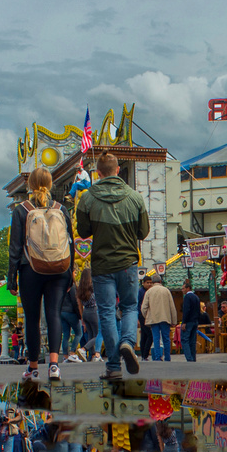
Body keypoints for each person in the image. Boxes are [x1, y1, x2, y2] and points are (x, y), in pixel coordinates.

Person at [74, 153, 150, 380]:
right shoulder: (135, 197)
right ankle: (127, 342)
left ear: (98, 173)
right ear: (118, 171)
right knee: (128, 307)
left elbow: (84, 231)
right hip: (127, 263)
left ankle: (114, 366)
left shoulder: (87, 198)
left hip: (102, 265)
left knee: (106, 312)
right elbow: (143, 232)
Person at [8, 167, 76, 382]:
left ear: (29, 185)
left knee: (32, 318)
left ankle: (33, 366)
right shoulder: (61, 209)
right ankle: (54, 365)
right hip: (59, 268)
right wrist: (70, 273)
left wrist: (12, 278)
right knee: (54, 313)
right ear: (51, 184)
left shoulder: (22, 210)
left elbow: (15, 248)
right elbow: (70, 242)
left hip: (31, 269)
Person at [141, 274, 176, 362]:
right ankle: (167, 357)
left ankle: (157, 357)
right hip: (165, 318)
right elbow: (172, 306)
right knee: (166, 339)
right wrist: (174, 320)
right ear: (160, 281)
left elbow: (143, 308)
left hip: (153, 319)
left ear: (152, 282)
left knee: (156, 338)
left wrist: (147, 316)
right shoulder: (166, 290)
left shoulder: (149, 292)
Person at [181, 286, 204, 363]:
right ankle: (193, 358)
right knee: (192, 340)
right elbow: (198, 310)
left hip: (188, 321)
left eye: (183, 288)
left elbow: (186, 310)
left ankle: (189, 358)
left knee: (185, 339)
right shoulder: (196, 297)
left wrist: (184, 322)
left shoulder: (187, 297)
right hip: (195, 321)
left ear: (188, 288)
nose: (182, 290)